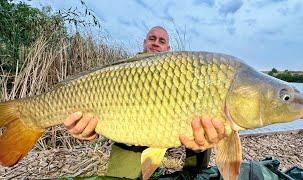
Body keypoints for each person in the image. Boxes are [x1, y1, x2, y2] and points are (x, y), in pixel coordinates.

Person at [63, 26, 225, 178]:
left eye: (162, 41)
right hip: (132, 137)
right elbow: (105, 109)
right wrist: (90, 131)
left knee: (205, 130)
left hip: (175, 130)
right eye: (152, 38)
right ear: (144, 43)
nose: (156, 43)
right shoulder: (125, 71)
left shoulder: (182, 72)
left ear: (168, 50)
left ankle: (195, 173)